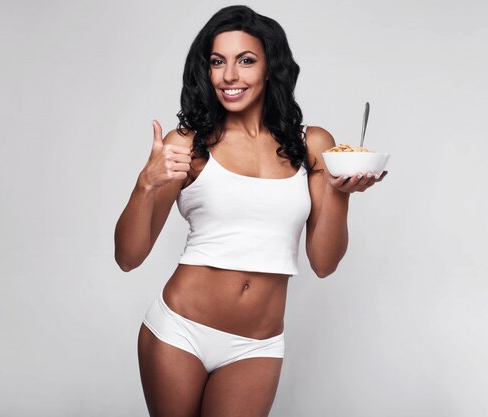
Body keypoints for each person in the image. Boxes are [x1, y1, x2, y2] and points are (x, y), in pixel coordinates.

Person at [114, 5, 386, 417]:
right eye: (217, 62)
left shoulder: (311, 144)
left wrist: (340, 192)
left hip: (256, 345)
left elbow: (325, 263)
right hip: (180, 331)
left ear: (270, 67)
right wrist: (143, 185)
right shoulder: (187, 144)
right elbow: (128, 257)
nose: (229, 76)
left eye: (246, 61)